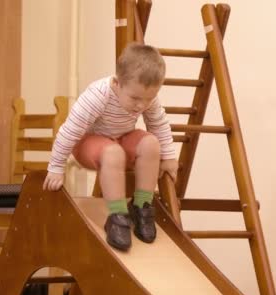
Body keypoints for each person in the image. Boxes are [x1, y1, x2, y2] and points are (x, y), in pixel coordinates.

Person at [43, 43, 178, 251]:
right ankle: (117, 215)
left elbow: (159, 124)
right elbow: (69, 131)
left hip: (121, 138)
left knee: (151, 143)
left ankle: (141, 205)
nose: (141, 106)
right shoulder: (99, 94)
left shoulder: (146, 99)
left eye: (148, 99)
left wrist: (169, 157)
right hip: (89, 142)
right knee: (112, 152)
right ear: (117, 83)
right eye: (134, 98)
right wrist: (56, 167)